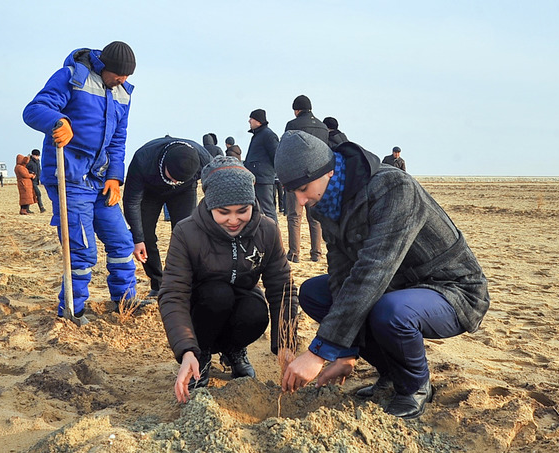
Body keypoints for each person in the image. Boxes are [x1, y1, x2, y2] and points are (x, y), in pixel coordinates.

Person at [274, 131, 490, 419]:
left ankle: (415, 386)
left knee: (391, 311)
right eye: (293, 192)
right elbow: (341, 273)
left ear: (328, 171)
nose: (300, 201)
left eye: (303, 189)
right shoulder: (325, 204)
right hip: (394, 285)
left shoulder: (393, 188)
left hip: (450, 289)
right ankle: (390, 372)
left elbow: (372, 271)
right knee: (315, 293)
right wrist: (345, 351)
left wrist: (318, 352)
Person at [158, 155, 298, 403]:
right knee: (217, 295)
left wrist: (286, 344)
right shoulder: (186, 232)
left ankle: (234, 350)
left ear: (252, 204)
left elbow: (282, 287)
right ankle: (200, 358)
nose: (234, 221)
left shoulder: (267, 230)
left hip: (243, 301)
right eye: (224, 212)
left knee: (255, 311)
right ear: (210, 205)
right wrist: (186, 350)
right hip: (202, 308)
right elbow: (173, 294)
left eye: (242, 211)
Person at [22, 41, 138, 321]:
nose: (122, 80)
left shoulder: (123, 93)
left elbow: (118, 141)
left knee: (122, 243)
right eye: (119, 75)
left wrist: (114, 178)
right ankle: (72, 310)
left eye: (127, 77)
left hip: (100, 181)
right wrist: (59, 121)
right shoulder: (72, 76)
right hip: (69, 177)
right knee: (82, 250)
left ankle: (125, 301)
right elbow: (34, 109)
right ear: (104, 66)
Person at [123, 136, 212, 297]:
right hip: (150, 193)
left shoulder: (204, 158)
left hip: (184, 193)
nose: (175, 182)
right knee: (146, 237)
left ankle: (184, 283)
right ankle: (158, 284)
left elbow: (217, 183)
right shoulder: (143, 159)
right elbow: (131, 202)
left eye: (179, 180)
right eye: (173, 178)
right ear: (165, 165)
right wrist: (137, 239)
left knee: (187, 237)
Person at [283, 95, 327, 263]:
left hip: (297, 177)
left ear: (297, 110)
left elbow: (286, 151)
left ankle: (294, 254)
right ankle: (316, 253)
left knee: (294, 216)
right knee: (314, 217)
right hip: (318, 179)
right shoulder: (323, 127)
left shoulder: (293, 125)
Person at [244, 109, 279, 223]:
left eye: (251, 118)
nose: (249, 121)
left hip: (263, 179)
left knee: (268, 210)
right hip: (256, 179)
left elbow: (276, 156)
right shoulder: (258, 135)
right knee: (257, 211)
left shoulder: (268, 135)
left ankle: (274, 237)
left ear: (258, 121)